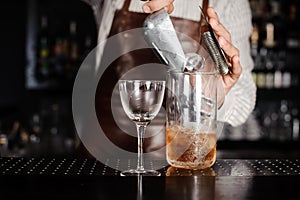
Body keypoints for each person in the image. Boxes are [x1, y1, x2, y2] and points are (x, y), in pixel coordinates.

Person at [80, 0, 257, 154]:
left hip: (177, 168)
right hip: (98, 162)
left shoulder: (229, 3)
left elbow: (243, 100)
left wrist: (213, 93)